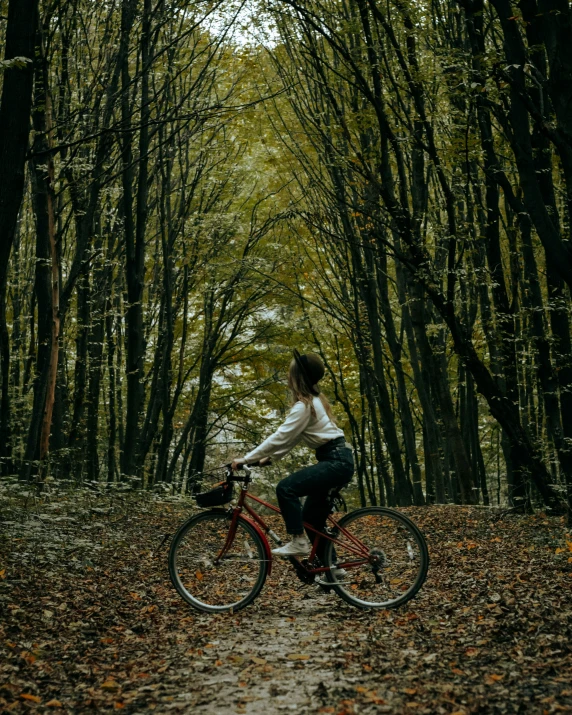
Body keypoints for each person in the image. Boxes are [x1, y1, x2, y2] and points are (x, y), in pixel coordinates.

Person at [231, 350, 354, 578]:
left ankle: (298, 541)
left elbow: (280, 436)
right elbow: (294, 437)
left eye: (291, 373)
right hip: (339, 459)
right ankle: (332, 567)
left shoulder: (303, 406)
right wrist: (271, 458)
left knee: (286, 488)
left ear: (298, 377)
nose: (288, 377)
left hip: (335, 460)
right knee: (311, 518)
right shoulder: (314, 402)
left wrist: (245, 459)